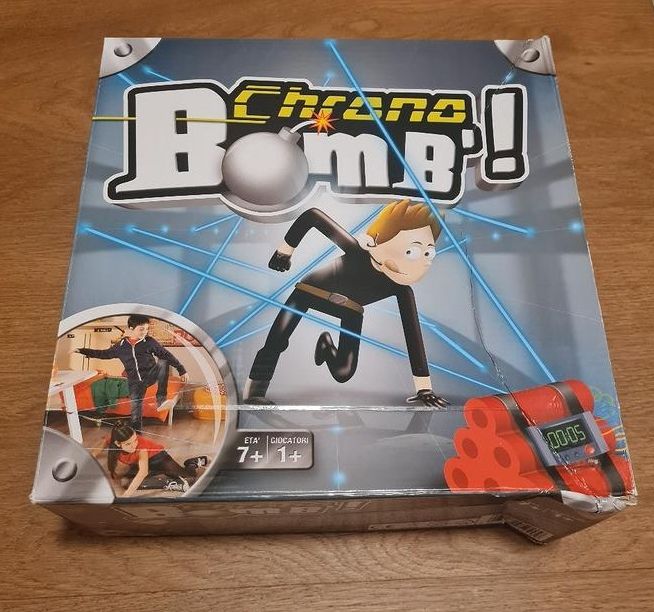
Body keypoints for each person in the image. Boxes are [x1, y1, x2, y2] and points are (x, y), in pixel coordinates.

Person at [244, 199, 448, 407]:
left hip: (351, 308)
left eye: (428, 254)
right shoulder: (357, 251)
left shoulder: (402, 289)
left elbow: (413, 337)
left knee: (344, 371)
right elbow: (313, 216)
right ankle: (254, 393)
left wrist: (424, 389)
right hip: (311, 291)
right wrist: (284, 251)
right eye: (411, 252)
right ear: (371, 242)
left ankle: (326, 346)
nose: (421, 264)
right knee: (276, 340)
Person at [75, 315, 189, 430]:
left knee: (163, 362)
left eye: (146, 329)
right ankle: (137, 433)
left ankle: (161, 401)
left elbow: (166, 355)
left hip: (150, 376)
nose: (145, 332)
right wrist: (82, 350)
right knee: (135, 414)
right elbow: (103, 354)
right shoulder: (121, 346)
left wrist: (182, 370)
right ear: (131, 328)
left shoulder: (149, 342)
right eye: (141, 329)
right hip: (135, 383)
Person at [96, 423, 208, 497]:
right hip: (141, 463)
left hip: (159, 458)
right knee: (125, 482)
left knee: (190, 478)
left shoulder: (141, 447)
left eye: (135, 440)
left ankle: (192, 463)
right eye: (128, 444)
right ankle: (169, 482)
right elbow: (95, 451)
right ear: (117, 443)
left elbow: (143, 472)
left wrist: (126, 496)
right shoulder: (112, 441)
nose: (134, 445)